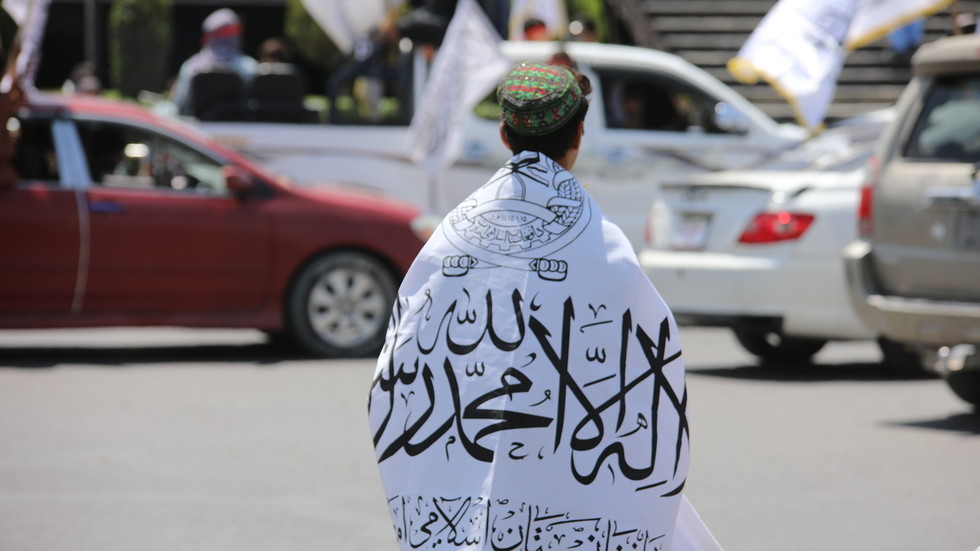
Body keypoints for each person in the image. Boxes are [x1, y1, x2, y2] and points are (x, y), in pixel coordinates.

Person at [368, 63, 692, 550]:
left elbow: (400, 369)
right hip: (569, 492)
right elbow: (650, 380)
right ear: (580, 133)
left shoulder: (448, 241)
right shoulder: (603, 248)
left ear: (504, 134)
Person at [169, 8, 258, 115]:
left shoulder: (191, 67)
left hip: (195, 129)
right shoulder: (250, 67)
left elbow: (179, 106)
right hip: (243, 128)